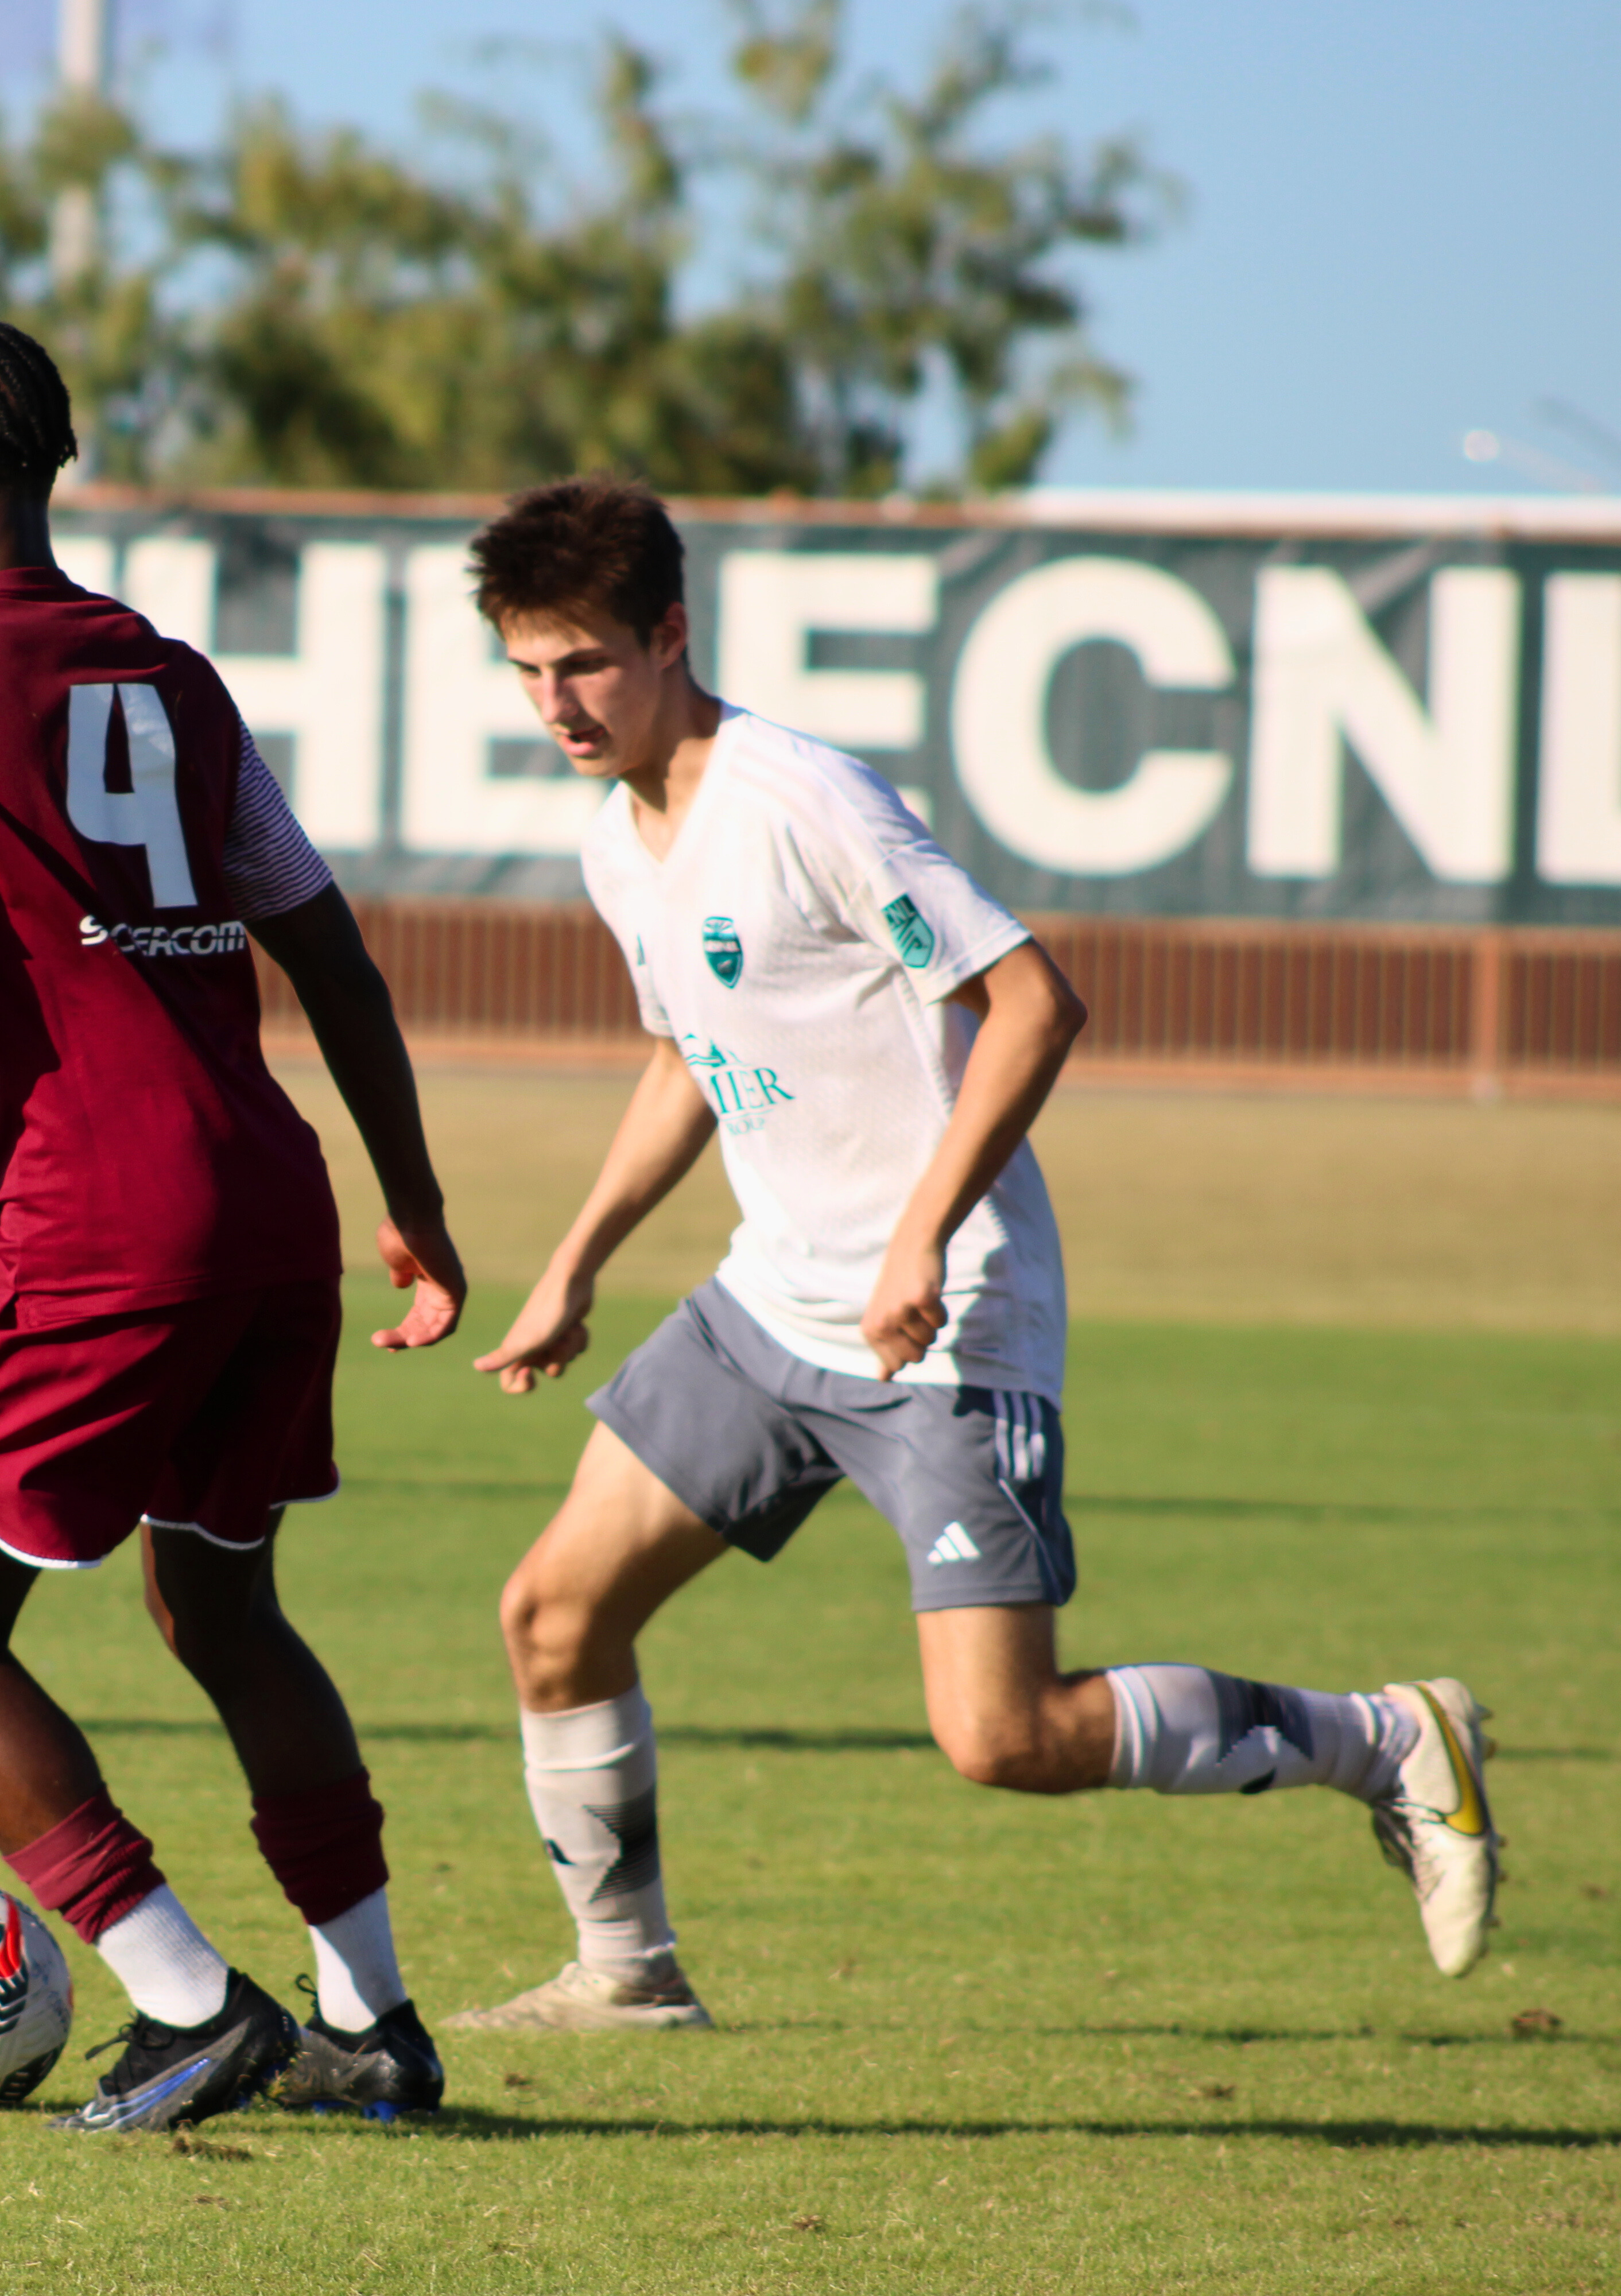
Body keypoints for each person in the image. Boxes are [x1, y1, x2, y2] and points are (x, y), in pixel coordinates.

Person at [449, 474, 1500, 2033]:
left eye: (585, 663)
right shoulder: (622, 843)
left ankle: (1387, 1738)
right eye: (530, 671)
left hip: (941, 1324)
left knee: (1001, 1739)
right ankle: (626, 1976)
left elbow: (1034, 1002)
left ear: (672, 634)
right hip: (771, 1304)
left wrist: (922, 1237)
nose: (558, 702)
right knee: (552, 1614)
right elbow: (687, 1057)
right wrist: (577, 1262)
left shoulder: (802, 796)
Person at [0, 317, 471, 2132]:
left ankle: (191, 2003)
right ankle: (370, 2022)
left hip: (102, 1215)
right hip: (269, 1198)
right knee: (223, 1612)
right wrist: (413, 1207)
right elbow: (332, 956)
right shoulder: (180, 681)